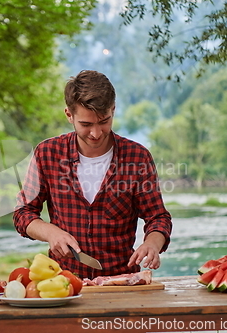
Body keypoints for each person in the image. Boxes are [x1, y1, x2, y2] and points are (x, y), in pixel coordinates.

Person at [13, 70, 172, 279]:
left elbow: (158, 217)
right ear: (69, 115)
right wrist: (51, 232)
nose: (96, 133)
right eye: (86, 124)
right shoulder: (47, 153)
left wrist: (152, 242)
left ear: (113, 110)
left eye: (104, 121)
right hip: (62, 282)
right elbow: (23, 213)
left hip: (121, 281)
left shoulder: (137, 157)